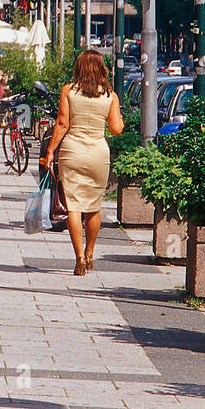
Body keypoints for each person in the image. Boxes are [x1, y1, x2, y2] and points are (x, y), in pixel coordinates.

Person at [44, 50, 124, 276]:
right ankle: (90, 253)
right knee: (93, 207)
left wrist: (51, 151)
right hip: (98, 153)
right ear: (102, 68)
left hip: (72, 151)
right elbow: (116, 129)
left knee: (74, 206)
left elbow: (61, 123)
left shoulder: (68, 91)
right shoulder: (110, 95)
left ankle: (78, 256)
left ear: (79, 67)